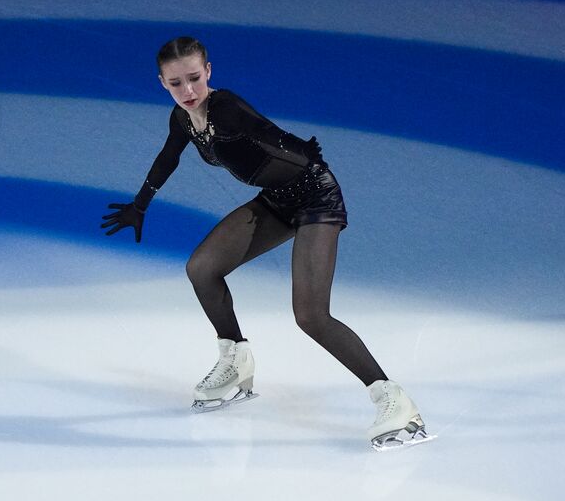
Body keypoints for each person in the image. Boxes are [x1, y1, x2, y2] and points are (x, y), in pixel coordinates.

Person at [101, 36, 430, 451]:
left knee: (310, 315)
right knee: (201, 268)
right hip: (275, 201)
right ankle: (235, 359)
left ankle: (392, 397)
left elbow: (266, 132)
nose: (187, 91)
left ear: (209, 72)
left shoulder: (227, 108)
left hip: (314, 197)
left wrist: (302, 152)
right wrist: (140, 205)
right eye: (175, 83)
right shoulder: (183, 118)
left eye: (194, 79)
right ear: (162, 82)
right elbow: (168, 157)